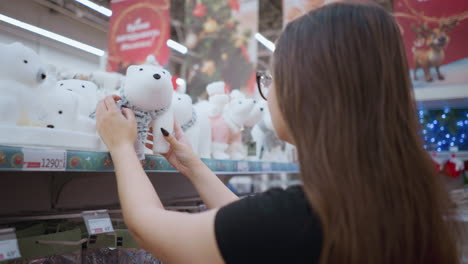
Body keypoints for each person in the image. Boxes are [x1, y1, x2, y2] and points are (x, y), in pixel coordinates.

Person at [95, 2, 458, 264]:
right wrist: (193, 166)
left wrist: (123, 147)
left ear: (310, 93)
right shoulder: (398, 197)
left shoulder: (304, 217)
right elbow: (254, 229)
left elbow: (151, 229)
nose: (267, 96)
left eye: (272, 80)